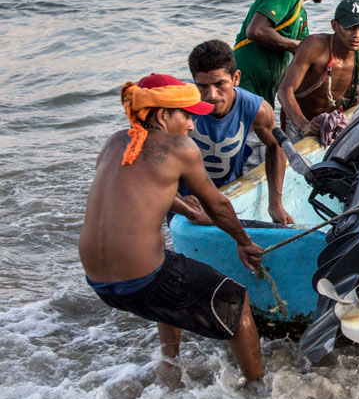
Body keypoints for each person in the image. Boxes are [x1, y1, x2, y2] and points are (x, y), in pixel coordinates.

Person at [78, 74, 267, 382]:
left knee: (173, 269)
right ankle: (258, 391)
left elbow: (134, 189)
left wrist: (180, 206)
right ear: (163, 115)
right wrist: (244, 242)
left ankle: (170, 365)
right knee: (235, 300)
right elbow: (218, 205)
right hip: (143, 278)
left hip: (100, 283)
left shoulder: (115, 141)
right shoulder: (180, 147)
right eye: (188, 115)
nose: (192, 125)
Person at [170, 40, 294, 226]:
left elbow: (276, 146)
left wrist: (275, 203)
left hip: (228, 193)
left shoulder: (256, 109)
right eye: (202, 86)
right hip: (184, 198)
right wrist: (178, 200)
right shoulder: (179, 107)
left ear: (236, 78)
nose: (211, 95)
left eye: (220, 84)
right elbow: (154, 162)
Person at [233, 0, 333, 106]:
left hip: (264, 89)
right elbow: (256, 30)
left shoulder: (301, 14)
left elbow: (304, 54)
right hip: (246, 81)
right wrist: (293, 45)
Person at [277, 0, 359, 145]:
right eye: (350, 28)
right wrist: (304, 125)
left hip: (331, 120)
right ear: (334, 26)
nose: (357, 35)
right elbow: (285, 90)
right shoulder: (313, 46)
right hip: (297, 119)